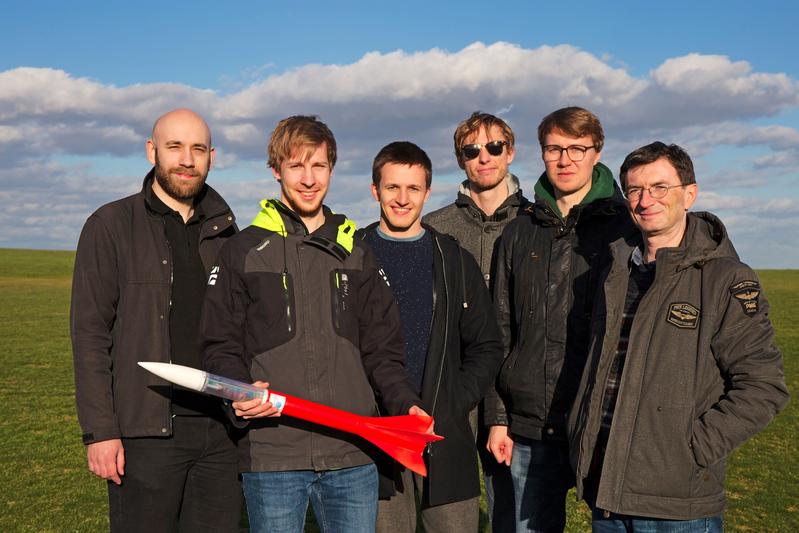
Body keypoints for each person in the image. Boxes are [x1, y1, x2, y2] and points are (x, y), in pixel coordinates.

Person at [201, 116, 425, 533]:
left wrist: (402, 402)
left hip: (352, 455)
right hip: (272, 455)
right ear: (276, 170)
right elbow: (219, 342)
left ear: (331, 170)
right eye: (296, 166)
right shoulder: (243, 250)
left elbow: (383, 347)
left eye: (318, 166)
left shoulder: (354, 251)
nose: (308, 179)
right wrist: (237, 389)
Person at [568, 142, 789, 532]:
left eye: (659, 187)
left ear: (689, 193)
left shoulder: (725, 279)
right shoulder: (616, 270)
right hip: (607, 488)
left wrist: (691, 448)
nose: (645, 199)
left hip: (677, 504)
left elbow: (763, 387)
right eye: (635, 189)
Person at [71, 108, 240, 532]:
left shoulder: (228, 233)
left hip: (220, 435)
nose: (187, 159)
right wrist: (100, 432)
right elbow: (89, 334)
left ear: (211, 157)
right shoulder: (110, 224)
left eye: (198, 148)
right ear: (152, 151)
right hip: (144, 433)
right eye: (175, 147)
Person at [484, 107, 632, 532]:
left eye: (576, 148)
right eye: (554, 149)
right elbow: (500, 328)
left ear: (596, 152)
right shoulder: (518, 232)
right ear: (542, 153)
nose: (565, 159)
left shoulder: (626, 227)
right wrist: (497, 417)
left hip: (605, 418)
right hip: (531, 423)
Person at [358, 141, 504, 532]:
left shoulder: (453, 259)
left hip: (442, 434)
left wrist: (453, 400)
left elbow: (487, 345)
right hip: (376, 437)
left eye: (413, 189)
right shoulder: (352, 255)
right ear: (375, 190)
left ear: (427, 191)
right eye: (392, 188)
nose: (402, 199)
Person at [423, 111, 529, 532]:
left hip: (517, 391)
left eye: (494, 147)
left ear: (510, 151)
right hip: (455, 389)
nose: (483, 157)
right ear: (460, 159)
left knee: (514, 509)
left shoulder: (536, 224)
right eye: (471, 150)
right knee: (450, 511)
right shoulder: (435, 228)